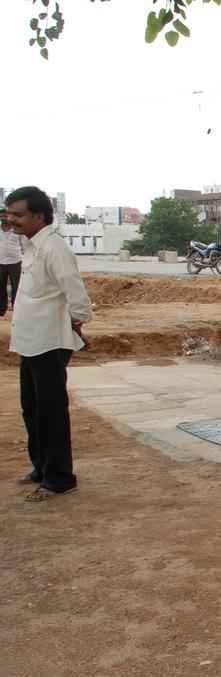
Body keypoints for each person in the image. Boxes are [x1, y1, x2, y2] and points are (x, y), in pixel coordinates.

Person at [5, 186, 93, 502]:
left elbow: (76, 293)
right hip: (30, 341)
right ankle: (41, 468)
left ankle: (60, 478)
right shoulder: (30, 245)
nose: (11, 219)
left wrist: (77, 322)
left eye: (18, 214)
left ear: (39, 215)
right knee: (32, 408)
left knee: (51, 412)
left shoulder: (54, 248)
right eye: (9, 213)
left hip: (49, 342)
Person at [0, 207, 24, 316]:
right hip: (0, 262)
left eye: (5, 216)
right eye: (1, 216)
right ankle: (1, 309)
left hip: (16, 262)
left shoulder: (17, 230)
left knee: (16, 286)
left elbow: (24, 246)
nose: (3, 218)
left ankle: (17, 308)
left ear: (9, 217)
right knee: (0, 286)